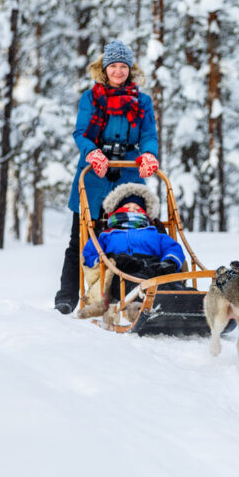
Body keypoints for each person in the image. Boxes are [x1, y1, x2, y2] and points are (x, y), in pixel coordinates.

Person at [54, 39, 160, 314]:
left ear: (130, 69)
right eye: (113, 66)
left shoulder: (142, 101)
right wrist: (93, 153)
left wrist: (148, 154)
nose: (118, 71)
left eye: (122, 66)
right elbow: (81, 133)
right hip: (94, 175)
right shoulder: (91, 98)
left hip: (128, 172)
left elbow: (148, 134)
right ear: (104, 68)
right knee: (82, 236)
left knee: (135, 231)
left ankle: (139, 289)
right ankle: (67, 296)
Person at [77, 183, 185, 320]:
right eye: (127, 208)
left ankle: (195, 302)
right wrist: (110, 259)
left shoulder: (155, 233)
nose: (132, 210)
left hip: (154, 267)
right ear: (116, 211)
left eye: (137, 209)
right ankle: (140, 307)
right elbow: (90, 255)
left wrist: (169, 261)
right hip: (122, 271)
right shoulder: (106, 235)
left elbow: (173, 248)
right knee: (134, 286)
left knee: (170, 283)